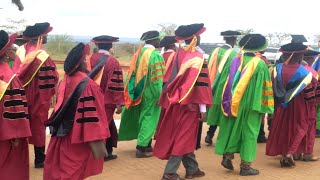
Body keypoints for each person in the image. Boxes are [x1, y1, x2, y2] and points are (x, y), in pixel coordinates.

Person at [154, 23, 212, 180]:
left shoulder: (176, 55)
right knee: (182, 138)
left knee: (184, 136)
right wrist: (203, 110)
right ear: (195, 38)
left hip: (173, 103)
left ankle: (192, 168)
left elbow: (168, 80)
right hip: (189, 106)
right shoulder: (198, 59)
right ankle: (169, 173)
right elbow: (201, 87)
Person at [44, 43, 110, 180]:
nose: (87, 62)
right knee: (73, 171)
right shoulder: (88, 85)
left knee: (60, 169)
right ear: (80, 63)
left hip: (61, 133)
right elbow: (94, 115)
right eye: (85, 60)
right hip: (78, 136)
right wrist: (97, 138)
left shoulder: (64, 80)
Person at [215, 34, 273, 176]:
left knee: (232, 129)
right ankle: (245, 166)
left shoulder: (235, 60)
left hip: (232, 104)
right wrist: (265, 109)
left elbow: (223, 83)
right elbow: (265, 89)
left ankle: (228, 156)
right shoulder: (260, 64)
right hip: (250, 106)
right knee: (249, 134)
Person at [11, 22, 59, 168]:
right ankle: (39, 159)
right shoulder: (42, 55)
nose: (47, 38)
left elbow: (15, 73)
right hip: (38, 95)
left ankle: (18, 159)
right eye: (46, 36)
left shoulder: (20, 50)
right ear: (40, 37)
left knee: (19, 123)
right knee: (38, 124)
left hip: (19, 92)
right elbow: (52, 78)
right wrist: (50, 95)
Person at [266, 42, 319, 167]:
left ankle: (286, 154)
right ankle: (290, 153)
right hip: (300, 106)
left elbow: (273, 89)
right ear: (300, 56)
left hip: (281, 105)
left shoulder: (276, 69)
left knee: (284, 128)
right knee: (301, 127)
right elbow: (310, 95)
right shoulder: (305, 73)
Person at [119, 30, 165, 158]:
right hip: (151, 92)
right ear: (153, 40)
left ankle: (146, 143)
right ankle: (142, 147)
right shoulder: (155, 55)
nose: (159, 42)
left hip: (139, 91)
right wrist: (159, 94)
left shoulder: (139, 53)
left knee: (142, 116)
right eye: (158, 39)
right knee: (149, 118)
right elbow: (157, 79)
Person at [0, 30, 31, 180]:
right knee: (9, 167)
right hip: (6, 135)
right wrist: (16, 134)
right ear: (6, 54)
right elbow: (14, 108)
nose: (16, 51)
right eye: (13, 48)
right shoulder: (9, 78)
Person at [89, 35, 125, 161]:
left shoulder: (89, 59)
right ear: (111, 46)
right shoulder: (113, 62)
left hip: (89, 100)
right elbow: (115, 85)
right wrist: (119, 103)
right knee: (103, 126)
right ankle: (99, 155)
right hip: (106, 101)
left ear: (97, 45)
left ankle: (107, 152)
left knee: (96, 125)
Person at [206, 30, 240, 145]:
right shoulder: (234, 54)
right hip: (224, 87)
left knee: (213, 111)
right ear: (233, 39)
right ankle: (220, 138)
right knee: (223, 112)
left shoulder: (215, 51)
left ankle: (209, 134)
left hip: (211, 85)